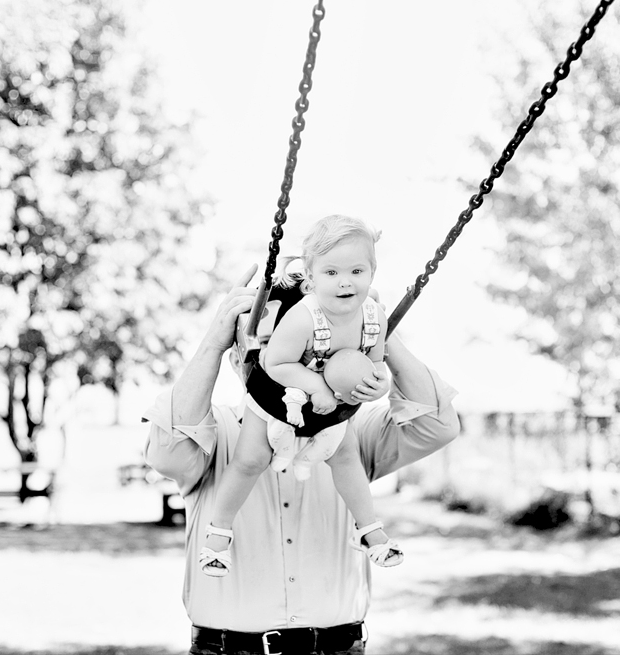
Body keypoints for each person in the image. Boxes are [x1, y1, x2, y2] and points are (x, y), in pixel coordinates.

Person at [143, 261, 461, 655]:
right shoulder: (215, 432)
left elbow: (437, 423)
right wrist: (213, 341)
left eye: (308, 350)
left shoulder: (351, 432)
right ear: (236, 358)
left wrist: (370, 327)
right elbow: (167, 448)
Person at [199, 215, 402, 579]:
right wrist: (319, 386)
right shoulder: (303, 318)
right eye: (331, 273)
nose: (345, 282)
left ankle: (368, 528)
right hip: (276, 396)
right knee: (250, 459)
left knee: (346, 457)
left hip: (331, 409)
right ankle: (218, 533)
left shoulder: (374, 317)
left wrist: (380, 384)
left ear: (372, 273)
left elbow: (374, 361)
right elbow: (275, 363)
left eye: (357, 271)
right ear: (311, 279)